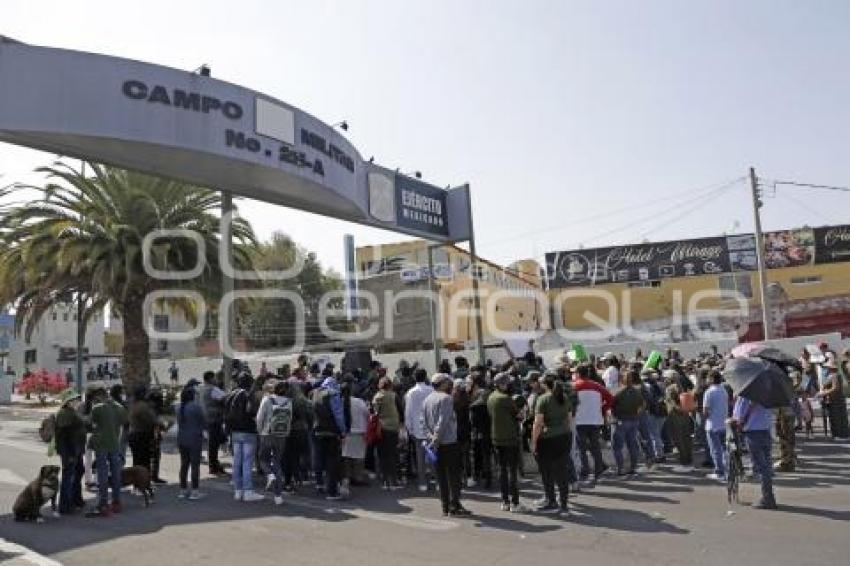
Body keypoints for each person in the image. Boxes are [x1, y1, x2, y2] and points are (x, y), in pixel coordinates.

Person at [422, 373, 471, 517]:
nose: (449, 384)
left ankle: (446, 506)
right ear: (442, 383)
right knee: (454, 476)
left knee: (441, 477)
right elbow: (442, 422)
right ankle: (454, 506)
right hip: (448, 442)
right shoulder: (446, 398)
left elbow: (423, 422)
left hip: (435, 444)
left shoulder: (427, 399)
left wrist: (431, 439)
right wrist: (436, 439)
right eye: (446, 382)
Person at [532, 373, 572, 515]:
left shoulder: (542, 399)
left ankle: (551, 500)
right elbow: (568, 419)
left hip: (547, 439)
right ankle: (564, 504)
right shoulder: (564, 397)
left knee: (547, 472)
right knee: (562, 473)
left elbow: (538, 423)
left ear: (545, 385)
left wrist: (534, 441)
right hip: (564, 437)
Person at [86, 386, 128, 517]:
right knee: (116, 473)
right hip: (114, 444)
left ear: (98, 396)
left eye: (93, 398)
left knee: (102, 475)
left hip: (101, 445)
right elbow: (123, 424)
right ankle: (116, 502)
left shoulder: (97, 408)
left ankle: (103, 503)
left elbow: (90, 425)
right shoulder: (120, 407)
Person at [729, 396, 777, 509]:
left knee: (762, 467)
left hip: (753, 432)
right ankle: (769, 495)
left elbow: (738, 417)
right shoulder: (765, 393)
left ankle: (767, 497)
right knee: (766, 465)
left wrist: (733, 420)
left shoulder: (745, 395)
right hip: (765, 430)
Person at [487, 372, 526, 512]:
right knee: (512, 472)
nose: (509, 385)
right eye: (507, 383)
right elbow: (519, 416)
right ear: (502, 384)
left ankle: (505, 501)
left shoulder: (491, 397)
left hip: (496, 438)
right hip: (510, 438)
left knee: (502, 471)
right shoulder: (506, 399)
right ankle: (515, 503)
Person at [224, 373, 264, 502]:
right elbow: (252, 412)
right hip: (248, 431)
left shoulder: (230, 395)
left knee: (237, 462)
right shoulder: (248, 395)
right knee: (247, 462)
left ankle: (238, 490)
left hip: (234, 432)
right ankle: (248, 491)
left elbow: (225, 414)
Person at [573, 364, 614, 484]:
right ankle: (599, 472)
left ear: (578, 374)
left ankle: (585, 473)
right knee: (595, 447)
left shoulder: (574, 386)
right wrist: (602, 409)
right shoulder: (597, 386)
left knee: (582, 448)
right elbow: (611, 399)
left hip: (580, 421)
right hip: (595, 420)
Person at [256, 380, 292, 505]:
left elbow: (259, 418)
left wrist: (260, 432)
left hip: (267, 433)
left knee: (263, 459)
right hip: (282, 435)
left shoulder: (267, 400)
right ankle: (278, 496)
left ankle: (269, 475)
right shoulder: (289, 402)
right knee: (277, 462)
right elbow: (290, 418)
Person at [312, 376, 347, 500]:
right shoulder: (333, 394)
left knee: (319, 458)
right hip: (331, 432)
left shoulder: (315, 393)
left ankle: (319, 483)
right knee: (332, 461)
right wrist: (343, 431)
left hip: (318, 430)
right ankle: (332, 491)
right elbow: (338, 415)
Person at [55, 388, 86, 515]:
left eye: (77, 399)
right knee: (68, 477)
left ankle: (75, 500)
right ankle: (65, 506)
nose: (77, 401)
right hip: (70, 451)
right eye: (74, 399)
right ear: (67, 402)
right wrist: (70, 454)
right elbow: (63, 436)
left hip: (76, 449)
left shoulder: (71, 412)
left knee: (78, 473)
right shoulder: (64, 414)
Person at [404, 367, 434, 491]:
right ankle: (436, 480)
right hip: (431, 428)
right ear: (426, 376)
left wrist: (409, 429)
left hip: (417, 429)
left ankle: (423, 483)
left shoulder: (411, 392)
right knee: (433, 455)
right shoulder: (431, 390)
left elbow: (408, 412)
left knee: (420, 457)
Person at [612, 369, 645, 477]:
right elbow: (642, 405)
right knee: (632, 445)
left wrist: (614, 416)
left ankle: (620, 468)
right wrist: (637, 414)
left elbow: (612, 405)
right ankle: (633, 467)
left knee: (618, 446)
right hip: (634, 420)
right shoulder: (637, 391)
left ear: (622, 380)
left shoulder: (618, 392)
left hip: (622, 420)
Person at [177, 386, 206, 500]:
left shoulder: (179, 407)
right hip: (194, 438)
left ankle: (183, 490)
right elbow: (203, 421)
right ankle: (195, 490)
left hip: (182, 438)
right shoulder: (196, 407)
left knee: (184, 465)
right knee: (195, 465)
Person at [373, 376, 401, 489]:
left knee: (382, 455)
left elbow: (374, 413)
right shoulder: (394, 396)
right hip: (393, 427)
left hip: (381, 428)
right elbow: (401, 409)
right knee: (392, 454)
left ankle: (384, 481)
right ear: (390, 385)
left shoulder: (377, 397)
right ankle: (394, 480)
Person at [341, 380, 369, 491]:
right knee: (359, 458)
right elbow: (367, 415)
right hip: (359, 432)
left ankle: (347, 478)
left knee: (346, 457)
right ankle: (358, 477)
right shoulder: (359, 402)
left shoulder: (340, 401)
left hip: (346, 433)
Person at [702, 369, 729, 481]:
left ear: (712, 379)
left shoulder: (709, 392)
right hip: (723, 423)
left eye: (708, 378)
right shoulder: (724, 390)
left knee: (715, 450)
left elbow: (706, 411)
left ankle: (719, 472)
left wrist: (706, 416)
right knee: (724, 449)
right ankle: (726, 470)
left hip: (712, 425)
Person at [199, 371, 227, 475]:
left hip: (206, 419)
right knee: (214, 444)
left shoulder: (201, 389)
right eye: (214, 378)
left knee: (213, 443)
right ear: (210, 379)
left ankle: (214, 465)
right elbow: (225, 398)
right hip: (215, 419)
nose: (216, 380)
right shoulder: (213, 389)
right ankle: (214, 466)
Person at [127, 387, 156, 472]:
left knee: (136, 460)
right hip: (141, 436)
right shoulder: (143, 406)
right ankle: (143, 482)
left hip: (133, 434)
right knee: (144, 461)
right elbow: (151, 420)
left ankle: (137, 481)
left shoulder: (132, 405)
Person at [819, 358, 849, 439]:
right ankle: (843, 434)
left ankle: (838, 434)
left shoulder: (834, 375)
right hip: (837, 399)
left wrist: (823, 393)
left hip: (835, 400)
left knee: (836, 418)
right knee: (840, 417)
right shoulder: (836, 375)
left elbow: (835, 388)